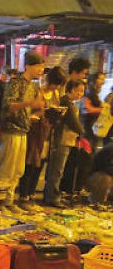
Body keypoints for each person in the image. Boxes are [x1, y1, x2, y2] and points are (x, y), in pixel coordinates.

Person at [0, 51, 45, 213]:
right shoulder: (15, 82)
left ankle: (9, 202)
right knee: (6, 169)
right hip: (10, 130)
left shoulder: (33, 86)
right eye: (38, 66)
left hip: (23, 130)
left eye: (42, 67)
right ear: (28, 66)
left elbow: (26, 109)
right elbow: (9, 106)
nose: (41, 70)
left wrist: (35, 113)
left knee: (18, 170)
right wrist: (31, 103)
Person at [15, 66, 66, 212]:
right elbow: (28, 110)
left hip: (47, 133)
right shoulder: (36, 90)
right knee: (29, 163)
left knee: (39, 165)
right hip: (34, 132)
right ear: (49, 80)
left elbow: (54, 109)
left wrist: (58, 113)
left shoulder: (55, 94)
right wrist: (40, 113)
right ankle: (23, 196)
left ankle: (31, 195)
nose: (56, 87)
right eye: (55, 83)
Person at [43, 79, 86, 207]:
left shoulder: (70, 103)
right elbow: (74, 123)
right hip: (61, 140)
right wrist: (82, 133)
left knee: (56, 170)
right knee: (56, 170)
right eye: (79, 91)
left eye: (82, 91)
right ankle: (52, 198)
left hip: (66, 140)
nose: (81, 94)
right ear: (71, 89)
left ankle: (52, 195)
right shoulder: (66, 102)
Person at [82, 72, 106, 151]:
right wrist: (103, 108)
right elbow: (89, 108)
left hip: (91, 122)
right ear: (94, 79)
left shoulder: (93, 91)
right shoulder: (90, 91)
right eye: (100, 79)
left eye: (103, 79)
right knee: (90, 146)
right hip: (89, 123)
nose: (102, 81)